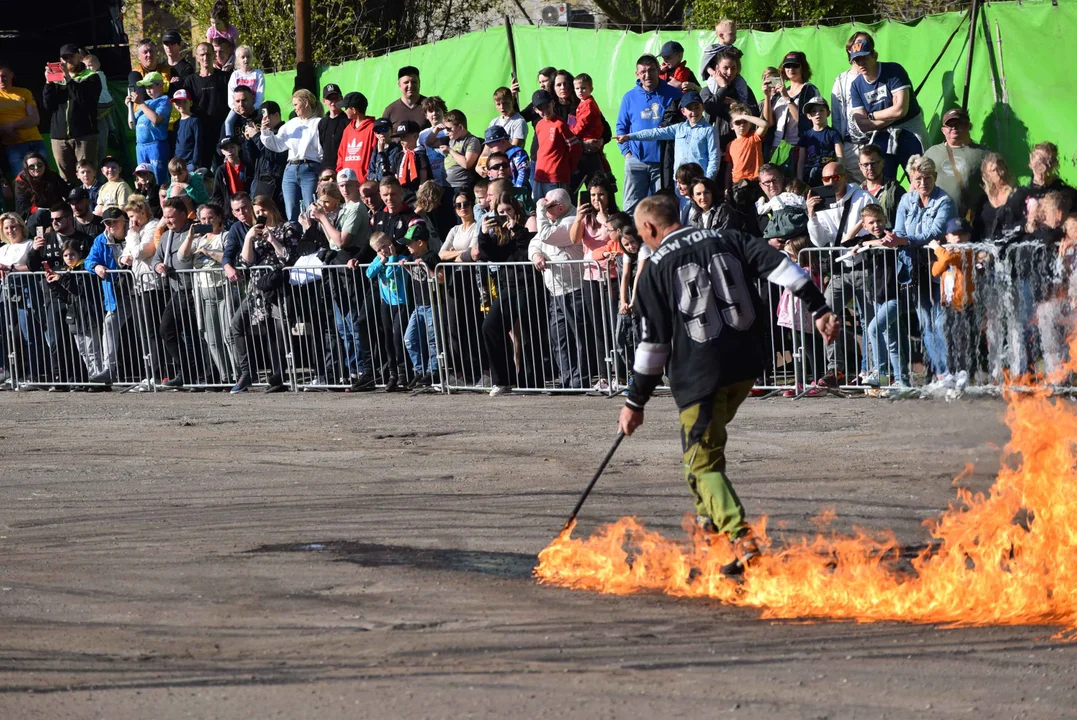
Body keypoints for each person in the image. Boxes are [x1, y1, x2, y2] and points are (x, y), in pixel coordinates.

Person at [618, 192, 838, 576]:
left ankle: (741, 539)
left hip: (701, 376)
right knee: (704, 452)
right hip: (746, 366)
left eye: (641, 234)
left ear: (650, 228)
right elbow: (785, 268)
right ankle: (708, 532)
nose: (642, 240)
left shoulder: (654, 268)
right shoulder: (727, 237)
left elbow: (653, 346)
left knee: (701, 465)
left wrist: (634, 402)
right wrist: (819, 308)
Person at [806, 161, 875, 388]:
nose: (831, 183)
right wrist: (812, 215)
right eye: (826, 179)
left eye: (836, 178)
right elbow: (820, 241)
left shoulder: (862, 198)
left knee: (869, 320)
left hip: (863, 266)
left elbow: (872, 226)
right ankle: (835, 369)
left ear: (845, 177)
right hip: (838, 270)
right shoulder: (823, 204)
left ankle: (870, 369)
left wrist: (852, 241)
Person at [891, 154, 957, 384]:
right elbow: (898, 230)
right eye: (918, 178)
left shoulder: (944, 201)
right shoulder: (905, 201)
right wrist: (897, 238)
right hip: (913, 269)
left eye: (927, 178)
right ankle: (940, 373)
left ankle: (948, 369)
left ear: (935, 177)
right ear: (911, 178)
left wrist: (903, 240)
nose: (922, 183)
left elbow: (933, 233)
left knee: (940, 321)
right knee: (925, 322)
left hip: (938, 268)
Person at [228, 196, 299, 393]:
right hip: (256, 289)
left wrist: (273, 239)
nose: (260, 215)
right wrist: (249, 238)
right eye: (257, 212)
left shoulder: (287, 228)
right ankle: (246, 373)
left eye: (263, 211)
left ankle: (280, 376)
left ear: (272, 209)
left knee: (278, 333)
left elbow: (289, 258)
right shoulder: (254, 232)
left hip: (278, 287)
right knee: (237, 324)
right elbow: (245, 263)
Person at [26, 202, 93, 386]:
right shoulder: (45, 239)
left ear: (69, 218)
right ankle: (61, 379)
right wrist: (34, 250)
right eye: (52, 219)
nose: (54, 222)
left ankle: (82, 379)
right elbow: (32, 267)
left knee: (80, 340)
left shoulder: (83, 239)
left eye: (58, 219)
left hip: (77, 295)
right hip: (53, 295)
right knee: (56, 339)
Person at [848, 35, 929, 180]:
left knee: (920, 175)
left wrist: (872, 115)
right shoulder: (856, 85)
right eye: (857, 60)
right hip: (881, 133)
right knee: (881, 180)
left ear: (875, 55)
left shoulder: (893, 71)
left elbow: (900, 110)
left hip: (909, 128)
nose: (861, 64)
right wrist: (891, 116)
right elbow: (862, 124)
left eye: (864, 58)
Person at [478, 192, 534, 396]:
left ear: (516, 210)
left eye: (508, 210)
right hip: (507, 287)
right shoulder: (499, 234)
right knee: (490, 327)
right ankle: (503, 380)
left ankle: (531, 381)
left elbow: (525, 251)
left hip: (527, 285)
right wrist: (484, 234)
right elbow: (489, 255)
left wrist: (517, 228)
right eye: (500, 212)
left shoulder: (526, 226)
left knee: (528, 334)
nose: (505, 215)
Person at [531, 188, 586, 389]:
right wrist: (536, 255)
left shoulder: (571, 222)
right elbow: (535, 242)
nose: (544, 209)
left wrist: (539, 209)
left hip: (574, 289)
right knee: (559, 338)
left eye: (548, 206)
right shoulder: (551, 222)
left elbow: (545, 235)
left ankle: (580, 380)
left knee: (577, 337)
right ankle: (565, 379)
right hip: (555, 291)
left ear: (560, 207)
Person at [616, 55, 682, 212]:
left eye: (652, 70)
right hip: (636, 161)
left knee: (661, 208)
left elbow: (681, 125)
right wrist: (627, 154)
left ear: (659, 70)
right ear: (637, 74)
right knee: (631, 208)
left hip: (663, 163)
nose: (647, 75)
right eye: (643, 71)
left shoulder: (674, 94)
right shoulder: (629, 97)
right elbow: (621, 127)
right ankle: (630, 237)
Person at [178, 201, 233, 383]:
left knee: (228, 335)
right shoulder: (199, 239)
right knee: (211, 338)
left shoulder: (225, 236)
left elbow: (228, 258)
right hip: (204, 291)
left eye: (211, 218)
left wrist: (209, 253)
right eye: (203, 218)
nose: (207, 221)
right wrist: (190, 236)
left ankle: (238, 374)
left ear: (219, 218)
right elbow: (182, 256)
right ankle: (225, 376)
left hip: (223, 290)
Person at [615, 90, 718, 182]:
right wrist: (629, 136)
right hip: (680, 183)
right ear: (683, 111)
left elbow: (714, 158)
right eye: (689, 109)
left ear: (702, 108)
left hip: (699, 181)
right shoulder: (678, 128)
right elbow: (654, 133)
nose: (694, 112)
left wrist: (706, 182)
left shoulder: (709, 130)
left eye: (697, 107)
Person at [83, 206, 135, 386]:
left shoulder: (135, 234)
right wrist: (96, 267)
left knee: (148, 329)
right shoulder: (100, 240)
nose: (111, 225)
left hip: (142, 289)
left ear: (124, 220)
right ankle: (109, 369)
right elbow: (89, 260)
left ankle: (157, 371)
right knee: (109, 323)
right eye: (107, 223)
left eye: (114, 221)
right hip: (116, 293)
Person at [43, 237, 105, 384]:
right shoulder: (67, 271)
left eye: (72, 255)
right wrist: (53, 284)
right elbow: (67, 297)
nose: (69, 258)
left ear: (79, 255)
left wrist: (62, 280)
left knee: (93, 350)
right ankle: (92, 377)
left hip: (89, 313)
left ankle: (99, 378)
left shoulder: (84, 269)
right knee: (83, 350)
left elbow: (79, 290)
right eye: (65, 255)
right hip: (75, 315)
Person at [118, 195, 163, 389]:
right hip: (136, 284)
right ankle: (148, 372)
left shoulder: (151, 227)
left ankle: (158, 373)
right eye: (129, 217)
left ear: (143, 213)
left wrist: (133, 235)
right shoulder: (135, 231)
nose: (131, 221)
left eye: (133, 216)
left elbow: (140, 252)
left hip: (151, 285)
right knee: (141, 331)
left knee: (152, 330)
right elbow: (126, 253)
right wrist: (123, 258)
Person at [41, 44, 102, 183]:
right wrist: (48, 82)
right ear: (60, 60)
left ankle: (90, 203)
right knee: (65, 180)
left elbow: (86, 101)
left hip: (84, 135)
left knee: (87, 176)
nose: (68, 60)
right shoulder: (56, 79)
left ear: (79, 57)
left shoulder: (92, 77)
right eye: (65, 58)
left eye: (71, 56)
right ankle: (70, 204)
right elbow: (48, 105)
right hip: (59, 137)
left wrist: (69, 80)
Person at [260, 89, 323, 222]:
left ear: (305, 103)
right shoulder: (291, 124)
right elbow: (278, 145)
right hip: (290, 169)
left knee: (311, 210)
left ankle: (313, 239)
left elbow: (321, 150)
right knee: (292, 210)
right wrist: (265, 131)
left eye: (295, 104)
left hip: (310, 168)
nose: (294, 108)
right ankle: (293, 239)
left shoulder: (318, 123)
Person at [923, 107, 988, 222]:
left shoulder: (984, 154)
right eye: (950, 124)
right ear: (943, 130)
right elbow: (915, 184)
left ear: (968, 126)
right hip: (935, 220)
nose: (954, 127)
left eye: (959, 123)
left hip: (971, 222)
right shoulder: (931, 153)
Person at [364, 230, 410, 391]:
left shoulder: (401, 259)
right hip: (386, 303)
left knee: (398, 338)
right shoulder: (378, 260)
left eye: (385, 246)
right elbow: (369, 273)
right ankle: (393, 373)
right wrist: (380, 261)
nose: (382, 251)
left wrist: (390, 257)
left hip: (400, 303)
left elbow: (391, 273)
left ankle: (403, 372)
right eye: (379, 250)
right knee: (388, 339)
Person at [401, 228, 441, 388]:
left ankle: (433, 372)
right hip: (418, 305)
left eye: (410, 244)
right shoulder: (412, 257)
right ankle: (419, 370)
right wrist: (407, 268)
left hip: (432, 304)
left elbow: (441, 278)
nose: (407, 247)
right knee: (409, 339)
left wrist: (425, 267)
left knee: (433, 341)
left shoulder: (431, 256)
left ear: (420, 242)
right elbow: (417, 278)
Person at [831, 31, 873, 183]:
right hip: (850, 144)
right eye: (857, 44)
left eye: (864, 44)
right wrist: (839, 144)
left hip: (874, 141)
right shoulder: (842, 80)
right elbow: (836, 115)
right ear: (849, 50)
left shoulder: (877, 75)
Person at [701, 49, 759, 152]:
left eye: (733, 68)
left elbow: (755, 112)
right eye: (725, 68)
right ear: (717, 68)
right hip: (716, 144)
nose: (730, 72)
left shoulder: (743, 89)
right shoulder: (707, 90)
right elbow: (709, 108)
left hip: (741, 143)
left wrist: (736, 105)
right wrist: (723, 88)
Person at [183, 43, 230, 167]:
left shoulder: (225, 77)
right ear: (197, 57)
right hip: (200, 133)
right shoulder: (190, 80)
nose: (205, 57)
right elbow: (185, 107)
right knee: (203, 171)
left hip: (221, 131)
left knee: (223, 168)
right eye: (202, 54)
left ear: (214, 55)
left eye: (208, 54)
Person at [531, 89, 581, 201]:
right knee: (539, 208)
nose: (544, 111)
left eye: (546, 106)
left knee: (556, 209)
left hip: (555, 177)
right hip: (539, 176)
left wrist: (569, 168)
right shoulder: (539, 125)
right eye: (540, 108)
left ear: (552, 103)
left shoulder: (560, 124)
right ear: (535, 110)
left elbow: (575, 148)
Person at [0, 63, 47, 178]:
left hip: (35, 141)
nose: (1, 79)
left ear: (12, 75)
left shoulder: (24, 92)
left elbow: (35, 119)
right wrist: (3, 130)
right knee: (22, 181)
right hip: (14, 145)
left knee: (44, 178)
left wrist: (10, 126)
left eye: (4, 75)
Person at [129, 72, 172, 185]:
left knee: (158, 176)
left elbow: (156, 120)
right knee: (142, 178)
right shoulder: (146, 102)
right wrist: (129, 107)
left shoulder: (164, 100)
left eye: (150, 86)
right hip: (141, 146)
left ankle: (160, 199)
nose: (148, 90)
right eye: (146, 87)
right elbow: (132, 125)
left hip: (156, 145)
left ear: (160, 85)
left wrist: (141, 104)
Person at [369, 120, 430, 199]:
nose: (401, 140)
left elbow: (423, 180)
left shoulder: (420, 155)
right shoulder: (400, 155)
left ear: (415, 136)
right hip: (402, 195)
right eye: (400, 137)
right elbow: (395, 176)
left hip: (416, 194)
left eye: (404, 137)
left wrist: (421, 195)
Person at [570, 73, 611, 188]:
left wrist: (572, 134)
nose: (580, 91)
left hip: (589, 140)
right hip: (584, 142)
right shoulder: (583, 103)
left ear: (591, 89)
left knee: (595, 181)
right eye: (577, 88)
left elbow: (582, 123)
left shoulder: (588, 104)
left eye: (583, 88)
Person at [427, 110, 481, 194]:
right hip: (447, 186)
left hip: (462, 186)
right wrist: (436, 130)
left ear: (460, 127)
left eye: (449, 129)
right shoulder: (450, 139)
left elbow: (466, 164)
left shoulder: (472, 140)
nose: (447, 132)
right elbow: (429, 143)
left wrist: (449, 150)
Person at [977, 152, 1024, 243]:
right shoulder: (984, 199)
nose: (999, 173)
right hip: (987, 248)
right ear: (986, 175)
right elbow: (978, 227)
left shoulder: (1017, 195)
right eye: (994, 170)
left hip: (1012, 245)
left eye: (1000, 168)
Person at [15, 152, 68, 230]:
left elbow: (66, 191)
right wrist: (45, 211)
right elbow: (26, 207)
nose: (36, 168)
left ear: (44, 165)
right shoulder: (21, 181)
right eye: (31, 166)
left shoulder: (52, 175)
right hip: (33, 216)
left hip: (55, 211)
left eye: (39, 165)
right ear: (27, 168)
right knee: (39, 214)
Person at [796, 97, 842, 185]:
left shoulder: (833, 134)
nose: (818, 113)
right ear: (809, 116)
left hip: (830, 177)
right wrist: (800, 180)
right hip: (810, 176)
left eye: (821, 110)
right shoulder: (806, 136)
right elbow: (801, 160)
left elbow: (840, 156)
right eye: (813, 111)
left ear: (828, 113)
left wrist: (840, 175)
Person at [224, 46, 265, 138]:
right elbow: (231, 94)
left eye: (248, 56)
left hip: (254, 107)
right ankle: (230, 141)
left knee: (263, 120)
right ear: (238, 59)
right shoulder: (235, 75)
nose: (246, 59)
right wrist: (234, 108)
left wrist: (254, 107)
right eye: (243, 57)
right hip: (238, 107)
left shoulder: (258, 74)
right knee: (228, 122)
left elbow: (260, 93)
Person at [858, 144, 904, 228]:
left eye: (873, 163)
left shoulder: (895, 190)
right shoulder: (857, 193)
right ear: (860, 166)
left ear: (882, 163)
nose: (870, 168)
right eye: (865, 165)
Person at [724, 103, 768, 185]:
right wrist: (726, 187)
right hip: (737, 182)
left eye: (745, 122)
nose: (742, 125)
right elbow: (729, 167)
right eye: (738, 122)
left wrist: (744, 116)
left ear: (750, 123)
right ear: (731, 125)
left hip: (754, 180)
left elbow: (764, 125)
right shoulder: (730, 145)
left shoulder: (754, 137)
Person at [418, 96, 450, 188]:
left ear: (444, 112)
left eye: (437, 110)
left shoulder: (449, 130)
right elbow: (420, 156)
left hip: (450, 178)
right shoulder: (422, 134)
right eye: (431, 111)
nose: (435, 113)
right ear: (426, 115)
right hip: (433, 180)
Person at [317, 84, 348, 173]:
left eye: (336, 98)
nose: (333, 102)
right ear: (324, 101)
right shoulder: (322, 122)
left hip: (342, 167)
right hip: (326, 168)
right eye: (330, 99)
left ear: (341, 98)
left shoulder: (348, 121)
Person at [171, 89, 202, 171]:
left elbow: (198, 142)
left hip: (190, 164)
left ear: (190, 103)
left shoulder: (194, 121)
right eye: (178, 102)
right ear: (174, 105)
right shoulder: (176, 123)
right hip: (178, 163)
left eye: (184, 101)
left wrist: (194, 162)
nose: (181, 105)